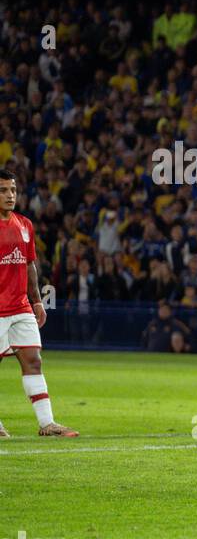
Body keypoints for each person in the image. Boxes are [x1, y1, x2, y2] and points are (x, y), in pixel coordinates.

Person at [0, 167, 78, 438]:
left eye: (13, 190)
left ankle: (47, 424)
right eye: (3, 190)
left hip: (20, 307)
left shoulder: (25, 225)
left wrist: (36, 301)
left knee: (33, 360)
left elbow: (30, 264)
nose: (10, 195)